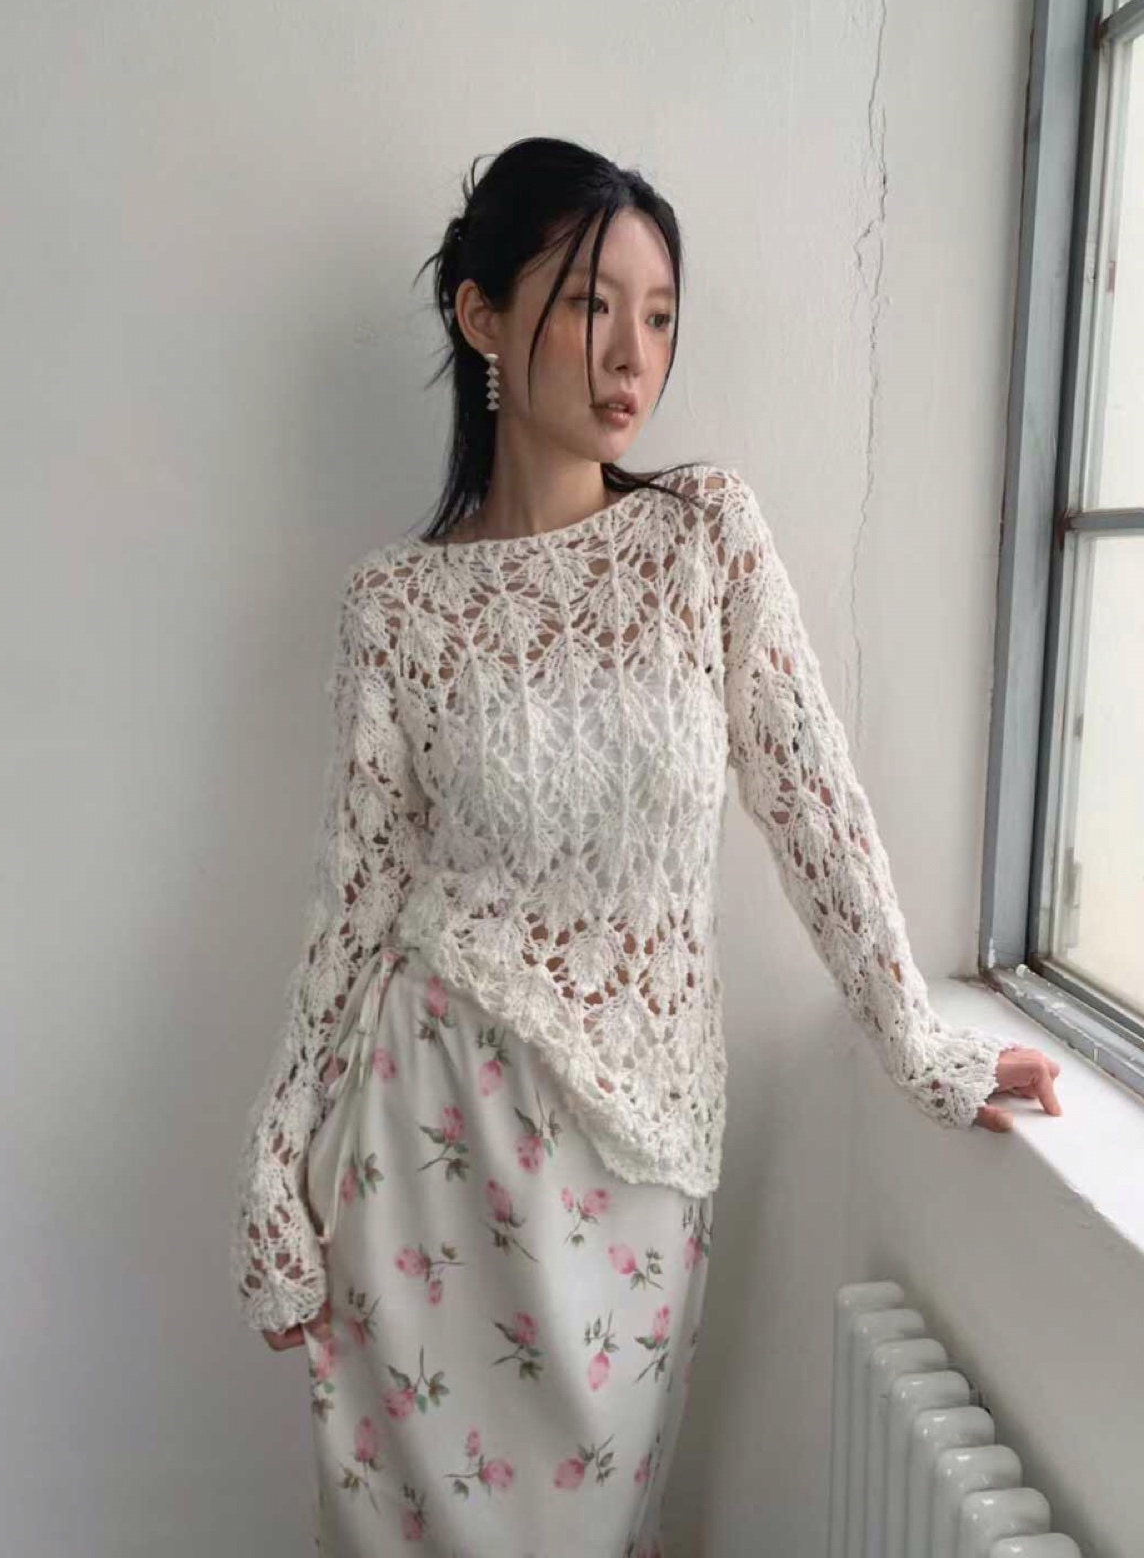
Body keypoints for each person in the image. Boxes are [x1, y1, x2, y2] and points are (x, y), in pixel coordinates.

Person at [230, 136, 1063, 1557]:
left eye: (661, 315)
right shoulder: (397, 608)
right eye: (589, 303)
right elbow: (355, 899)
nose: (634, 354)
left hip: (641, 1165)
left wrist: (919, 1040)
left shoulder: (703, 540)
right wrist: (274, 1158)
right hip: (424, 1148)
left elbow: (812, 801)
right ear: (480, 315)